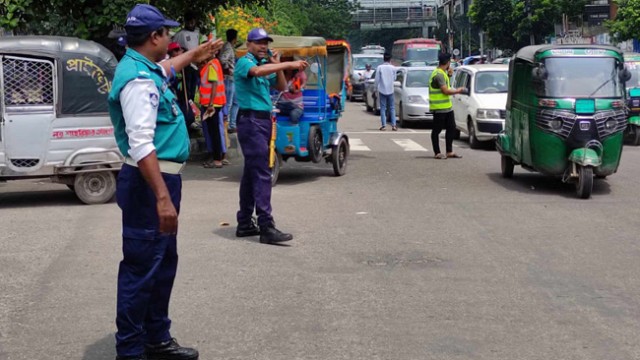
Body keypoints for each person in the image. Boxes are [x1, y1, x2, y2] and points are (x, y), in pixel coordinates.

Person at [107, 4, 223, 360]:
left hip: (159, 181)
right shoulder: (139, 81)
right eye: (167, 32)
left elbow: (166, 67)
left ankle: (156, 338)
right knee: (142, 268)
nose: (172, 37)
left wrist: (194, 54)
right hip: (150, 185)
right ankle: (130, 351)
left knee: (162, 263)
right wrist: (161, 197)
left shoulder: (142, 68)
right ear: (154, 37)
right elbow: (142, 143)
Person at [234, 28, 308, 244]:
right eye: (258, 42)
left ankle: (245, 223)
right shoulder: (245, 63)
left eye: (265, 42)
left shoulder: (266, 64)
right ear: (248, 44)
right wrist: (288, 64)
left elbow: (282, 86)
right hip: (251, 121)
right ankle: (266, 226)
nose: (263, 46)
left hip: (262, 121)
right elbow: (256, 73)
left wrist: (278, 63)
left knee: (251, 173)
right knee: (262, 173)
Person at [429, 52, 466, 159]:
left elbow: (446, 85)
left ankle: (449, 151)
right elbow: (445, 90)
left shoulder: (443, 73)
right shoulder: (438, 74)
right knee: (436, 130)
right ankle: (437, 152)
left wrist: (449, 75)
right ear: (448, 62)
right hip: (439, 108)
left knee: (452, 128)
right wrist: (458, 90)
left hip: (447, 107)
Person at [198, 51, 226, 168]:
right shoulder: (215, 63)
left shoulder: (211, 66)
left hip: (212, 105)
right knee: (214, 132)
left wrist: (210, 104)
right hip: (215, 103)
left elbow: (214, 84)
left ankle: (217, 159)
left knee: (214, 132)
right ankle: (217, 158)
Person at [220, 28, 239, 133]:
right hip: (229, 78)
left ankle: (232, 124)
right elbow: (223, 59)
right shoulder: (228, 47)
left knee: (236, 101)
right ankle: (226, 125)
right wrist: (228, 69)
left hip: (233, 78)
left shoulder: (230, 47)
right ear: (234, 38)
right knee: (229, 102)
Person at [375, 53, 397, 131]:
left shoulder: (379, 67)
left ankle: (384, 125)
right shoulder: (393, 68)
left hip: (382, 90)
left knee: (383, 108)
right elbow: (395, 78)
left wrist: (375, 89)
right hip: (391, 89)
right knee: (392, 108)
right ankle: (394, 125)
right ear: (390, 59)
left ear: (383, 59)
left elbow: (377, 80)